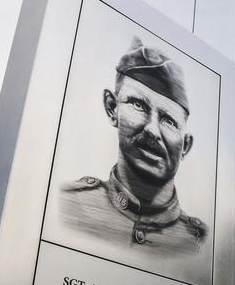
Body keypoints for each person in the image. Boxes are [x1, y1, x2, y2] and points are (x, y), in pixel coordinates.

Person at [59, 36, 207, 254]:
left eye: (169, 121)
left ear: (185, 146)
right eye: (138, 105)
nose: (152, 130)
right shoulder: (66, 205)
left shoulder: (198, 244)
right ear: (112, 108)